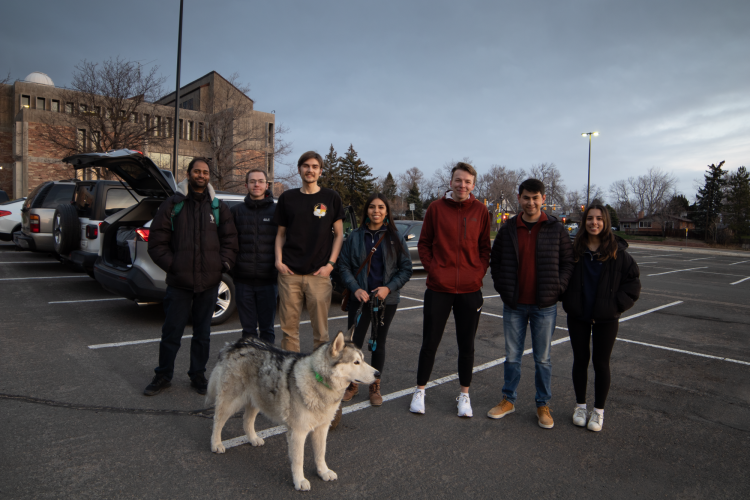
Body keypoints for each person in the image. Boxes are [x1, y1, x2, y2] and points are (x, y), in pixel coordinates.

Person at [144, 158, 238, 396]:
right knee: (171, 332)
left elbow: (231, 241)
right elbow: (157, 243)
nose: (201, 175)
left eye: (205, 172)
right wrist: (173, 266)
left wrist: (222, 265)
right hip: (179, 283)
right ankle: (163, 375)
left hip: (209, 283)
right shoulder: (173, 205)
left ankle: (198, 375)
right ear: (188, 174)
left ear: (209, 177)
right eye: (197, 171)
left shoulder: (218, 207)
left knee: (202, 334)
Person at [487, 178, 573, 428]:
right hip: (514, 304)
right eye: (526, 197)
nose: (531, 202)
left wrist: (557, 288)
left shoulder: (556, 229)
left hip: (544, 306)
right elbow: (496, 261)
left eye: (536, 198)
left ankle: (542, 405)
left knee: (543, 359)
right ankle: (508, 400)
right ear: (519, 198)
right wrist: (503, 288)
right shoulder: (508, 228)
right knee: (512, 356)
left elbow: (568, 263)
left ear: (543, 199)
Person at [409, 162, 491, 417]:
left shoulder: (481, 211)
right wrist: (435, 270)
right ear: (451, 182)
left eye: (467, 182)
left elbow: (485, 248)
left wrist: (476, 273)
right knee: (429, 343)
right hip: (439, 288)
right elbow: (424, 244)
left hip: (469, 290)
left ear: (473, 185)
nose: (462, 185)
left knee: (466, 346)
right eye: (458, 180)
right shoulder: (435, 208)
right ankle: (420, 390)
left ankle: (464, 395)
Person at [562, 204, 641, 432]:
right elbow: (562, 276)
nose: (594, 223)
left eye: (598, 219)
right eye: (589, 218)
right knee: (580, 360)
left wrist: (615, 306)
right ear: (584, 222)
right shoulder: (574, 251)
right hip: (578, 316)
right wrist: (567, 300)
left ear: (605, 222)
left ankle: (598, 412)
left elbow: (633, 285)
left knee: (601, 363)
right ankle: (580, 407)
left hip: (606, 319)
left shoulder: (619, 255)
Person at [338, 193, 413, 406]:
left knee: (378, 344)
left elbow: (405, 269)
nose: (376, 211)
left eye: (381, 207)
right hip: (360, 300)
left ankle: (375, 385)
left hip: (385, 301)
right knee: (355, 344)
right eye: (372, 207)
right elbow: (343, 266)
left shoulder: (395, 237)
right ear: (366, 211)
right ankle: (352, 383)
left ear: (387, 211)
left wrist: (388, 288)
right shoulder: (354, 236)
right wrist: (355, 288)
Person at [273, 151, 344, 353]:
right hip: (289, 274)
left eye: (314, 166)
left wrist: (330, 266)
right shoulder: (287, 198)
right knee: (289, 331)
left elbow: (339, 235)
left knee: (321, 333)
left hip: (319, 275)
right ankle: (292, 375)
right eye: (306, 166)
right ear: (299, 169)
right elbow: (280, 234)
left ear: (320, 171)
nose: (310, 170)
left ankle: (318, 377)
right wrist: (279, 261)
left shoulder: (331, 197)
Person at [231, 168, 278, 344]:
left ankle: (267, 369)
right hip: (243, 281)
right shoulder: (236, 211)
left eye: (260, 181)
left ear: (267, 185)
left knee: (267, 330)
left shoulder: (277, 211)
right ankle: (250, 370)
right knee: (248, 332)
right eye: (252, 181)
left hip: (269, 281)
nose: (256, 184)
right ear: (246, 185)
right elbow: (229, 243)